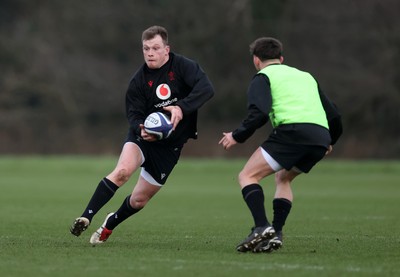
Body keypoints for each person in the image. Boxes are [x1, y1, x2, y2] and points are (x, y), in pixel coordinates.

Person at [70, 25, 214, 245]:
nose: (150, 53)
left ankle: (110, 223)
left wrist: (181, 108)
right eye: (146, 48)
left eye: (155, 48)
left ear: (167, 49)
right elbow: (134, 114)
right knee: (122, 172)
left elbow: (206, 88)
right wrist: (141, 130)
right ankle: (86, 216)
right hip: (142, 139)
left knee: (138, 201)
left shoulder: (183, 66)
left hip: (169, 147)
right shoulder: (138, 81)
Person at [219, 37, 342, 253]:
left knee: (247, 176)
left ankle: (261, 227)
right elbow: (334, 114)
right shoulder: (306, 76)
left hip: (293, 133)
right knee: (283, 178)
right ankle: (275, 233)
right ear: (281, 59)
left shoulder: (263, 77)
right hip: (320, 138)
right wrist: (330, 139)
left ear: (256, 60)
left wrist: (236, 136)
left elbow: (259, 114)